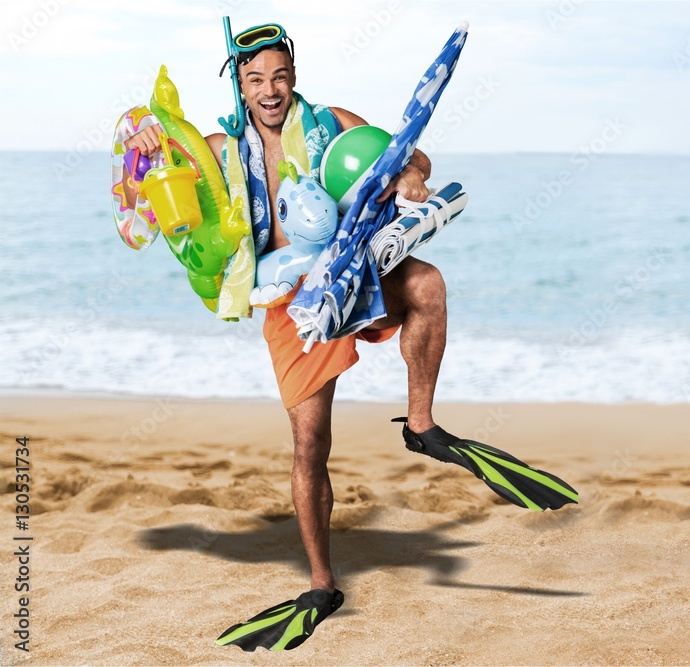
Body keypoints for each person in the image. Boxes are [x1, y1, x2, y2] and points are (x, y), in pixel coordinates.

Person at [125, 22, 577, 652]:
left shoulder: (329, 123)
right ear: (239, 86)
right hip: (289, 298)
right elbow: (143, 169)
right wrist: (142, 129)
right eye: (255, 79)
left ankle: (421, 425)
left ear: (293, 77)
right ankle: (319, 587)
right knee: (310, 444)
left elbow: (407, 154)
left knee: (426, 286)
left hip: (351, 268)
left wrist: (411, 178)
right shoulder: (216, 151)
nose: (270, 89)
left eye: (280, 75)